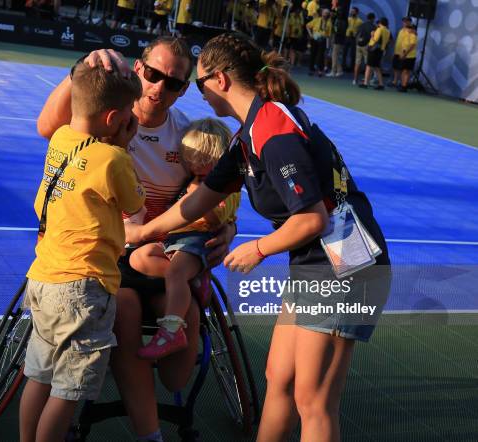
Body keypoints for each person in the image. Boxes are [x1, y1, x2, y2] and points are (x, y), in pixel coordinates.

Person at [125, 32, 391, 442]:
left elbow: (311, 219)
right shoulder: (246, 137)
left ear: (221, 80)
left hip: (346, 261)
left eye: (198, 85)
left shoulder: (272, 129)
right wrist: (142, 232)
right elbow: (195, 205)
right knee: (278, 378)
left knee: (314, 400)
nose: (198, 97)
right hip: (317, 260)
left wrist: (258, 248)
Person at [36, 37, 236, 442]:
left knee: (181, 337)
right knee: (125, 317)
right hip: (108, 259)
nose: (160, 87)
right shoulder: (99, 117)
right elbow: (46, 127)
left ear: (183, 90)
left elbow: (218, 190)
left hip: (162, 257)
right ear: (137, 67)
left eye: (175, 83)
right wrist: (79, 70)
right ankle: (151, 435)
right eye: (154, 74)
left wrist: (228, 229)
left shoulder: (187, 134)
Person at [19, 62, 145, 442]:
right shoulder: (115, 160)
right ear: (114, 119)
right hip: (84, 289)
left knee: (39, 377)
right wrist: (122, 146)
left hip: (43, 278)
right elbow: (135, 204)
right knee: (67, 391)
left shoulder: (59, 138)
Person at [129, 118, 240, 359]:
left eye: (203, 162)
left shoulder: (223, 186)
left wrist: (200, 198)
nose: (195, 166)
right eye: (191, 161)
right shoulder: (196, 181)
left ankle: (172, 330)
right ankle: (194, 279)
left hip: (197, 241)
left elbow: (217, 217)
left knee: (174, 273)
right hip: (176, 241)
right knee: (139, 257)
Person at [360, 17, 391, 90]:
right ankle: (381, 84)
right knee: (377, 67)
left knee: (368, 66)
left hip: (374, 50)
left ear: (380, 23)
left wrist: (372, 35)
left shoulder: (379, 29)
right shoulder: (388, 31)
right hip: (381, 50)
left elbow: (375, 40)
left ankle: (365, 83)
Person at [306, 8, 333, 77]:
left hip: (323, 40)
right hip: (315, 38)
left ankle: (320, 71)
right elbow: (307, 26)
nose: (325, 14)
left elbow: (329, 35)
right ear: (322, 13)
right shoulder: (316, 20)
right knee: (313, 54)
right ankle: (311, 70)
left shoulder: (329, 23)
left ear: (328, 14)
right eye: (324, 13)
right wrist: (311, 35)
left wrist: (329, 44)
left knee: (320, 55)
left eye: (327, 13)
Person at [353, 12, 376, 85]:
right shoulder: (373, 27)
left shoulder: (361, 25)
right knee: (368, 64)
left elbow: (356, 35)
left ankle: (355, 80)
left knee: (357, 63)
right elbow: (373, 38)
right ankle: (367, 80)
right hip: (367, 46)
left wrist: (357, 43)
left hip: (358, 45)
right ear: (373, 19)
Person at [343, 7, 362, 71]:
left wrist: (356, 35)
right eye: (351, 11)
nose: (351, 12)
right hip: (347, 37)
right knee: (344, 52)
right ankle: (344, 66)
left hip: (353, 38)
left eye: (353, 11)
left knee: (353, 53)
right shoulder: (348, 19)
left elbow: (360, 31)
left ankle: (352, 67)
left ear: (357, 12)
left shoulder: (360, 21)